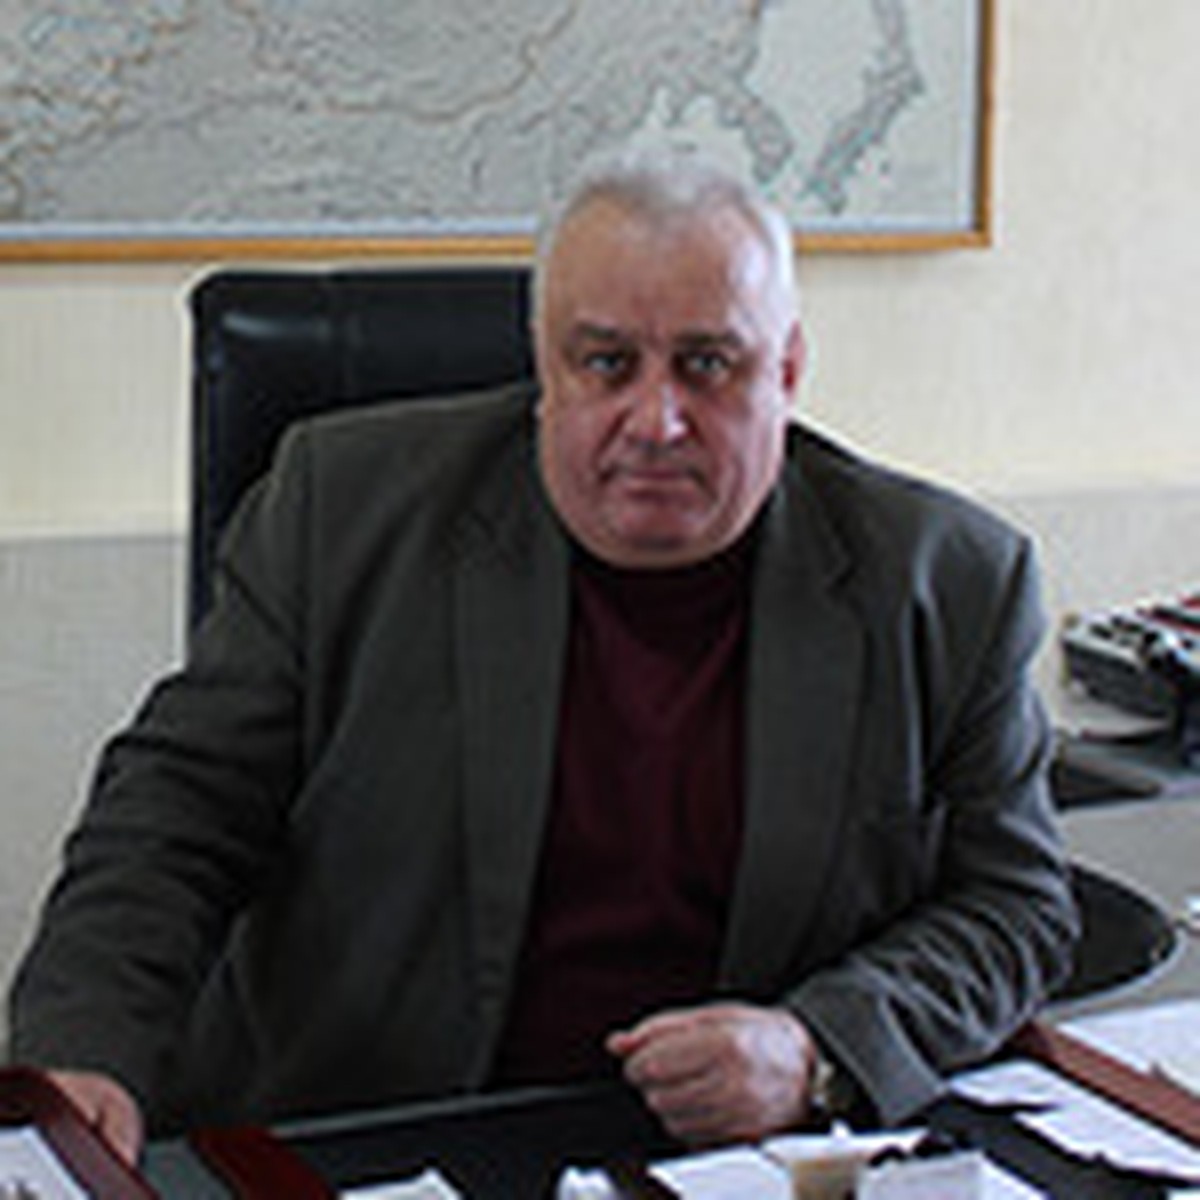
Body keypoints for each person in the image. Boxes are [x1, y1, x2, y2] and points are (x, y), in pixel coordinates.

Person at [6, 151, 1078, 1165]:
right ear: (543, 365)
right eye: (606, 362)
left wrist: (819, 1049)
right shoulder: (340, 510)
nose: (656, 420)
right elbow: (174, 816)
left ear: (787, 370)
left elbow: (1016, 908)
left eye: (707, 365)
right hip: (373, 1140)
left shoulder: (948, 582)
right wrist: (80, 1055)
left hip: (729, 1165)